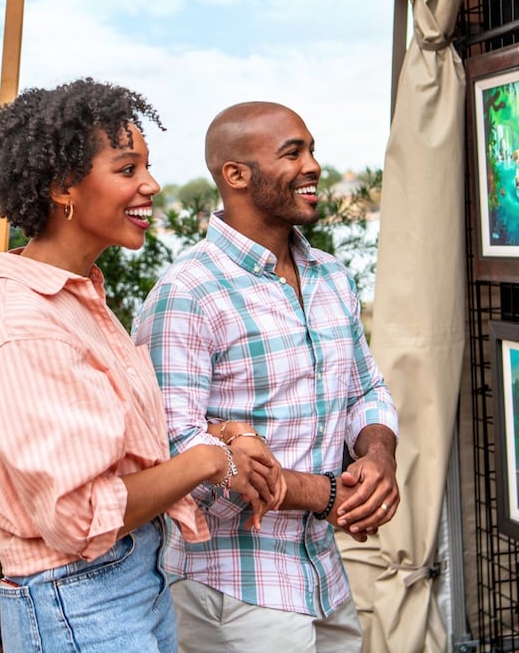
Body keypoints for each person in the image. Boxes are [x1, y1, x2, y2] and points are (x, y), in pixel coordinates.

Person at [0, 79, 281, 653]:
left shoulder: (77, 301)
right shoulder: (27, 330)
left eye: (146, 166)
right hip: (81, 600)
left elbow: (120, 451)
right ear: (62, 187)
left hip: (123, 583)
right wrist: (205, 460)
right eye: (127, 169)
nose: (150, 184)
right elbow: (78, 517)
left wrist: (220, 434)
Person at [133, 100, 400, 652]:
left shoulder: (332, 277)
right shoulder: (187, 294)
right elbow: (175, 449)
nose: (313, 166)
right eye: (292, 153)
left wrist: (378, 459)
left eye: (312, 151)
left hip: (324, 577)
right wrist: (326, 494)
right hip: (233, 589)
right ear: (236, 174)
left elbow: (367, 391)